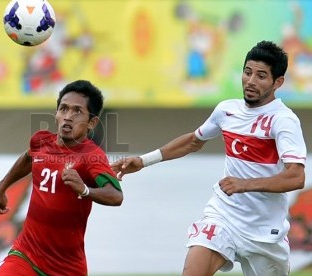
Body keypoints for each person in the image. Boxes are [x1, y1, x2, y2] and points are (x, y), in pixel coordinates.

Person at [111, 40, 306, 276]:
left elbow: (295, 177)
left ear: (278, 82)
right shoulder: (226, 110)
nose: (251, 81)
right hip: (224, 215)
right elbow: (194, 140)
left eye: (261, 76)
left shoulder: (283, 120)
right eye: (247, 72)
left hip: (265, 231)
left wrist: (245, 185)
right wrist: (143, 161)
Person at [0, 79, 123, 276]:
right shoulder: (41, 141)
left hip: (66, 268)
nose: (68, 116)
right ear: (57, 113)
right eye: (64, 109)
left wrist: (85, 190)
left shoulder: (92, 157)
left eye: (77, 111)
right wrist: (2, 187)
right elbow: (28, 157)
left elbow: (115, 195)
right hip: (26, 255)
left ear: (92, 122)